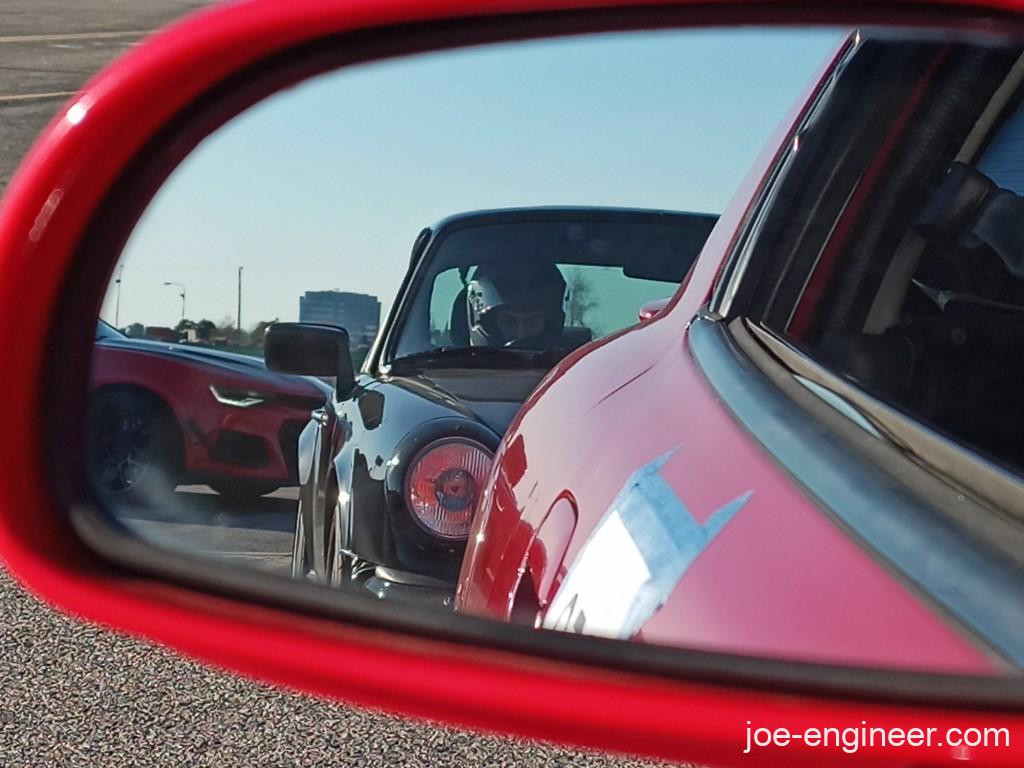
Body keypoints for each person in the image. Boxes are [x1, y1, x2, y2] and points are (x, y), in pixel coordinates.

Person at [465, 255, 567, 347]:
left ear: (549, 323)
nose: (521, 334)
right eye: (509, 321)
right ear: (490, 324)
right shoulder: (456, 365)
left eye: (532, 322)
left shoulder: (576, 366)